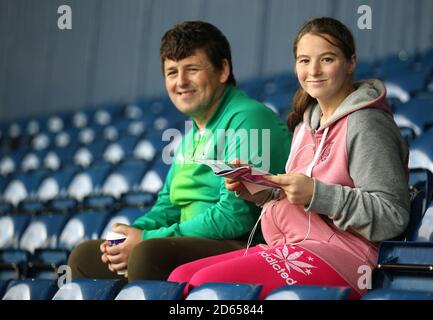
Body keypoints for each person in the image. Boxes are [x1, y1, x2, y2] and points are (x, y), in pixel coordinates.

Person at [168, 17, 410, 299]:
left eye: (327, 59)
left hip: (349, 259)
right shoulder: (304, 125)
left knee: (205, 286)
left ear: (350, 63)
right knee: (179, 278)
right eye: (304, 61)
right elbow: (298, 199)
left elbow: (392, 217)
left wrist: (317, 194)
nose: (313, 70)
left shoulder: (367, 124)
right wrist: (257, 187)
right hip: (294, 243)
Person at [68, 21, 292, 282]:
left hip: (244, 245)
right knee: (84, 258)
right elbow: (168, 206)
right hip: (187, 244)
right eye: (172, 72)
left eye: (192, 69)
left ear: (222, 70)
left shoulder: (249, 119)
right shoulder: (189, 138)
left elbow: (237, 218)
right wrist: (133, 233)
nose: (181, 82)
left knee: (148, 254)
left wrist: (147, 239)